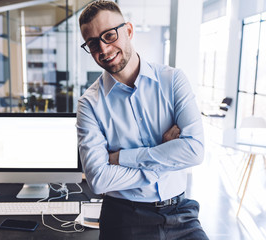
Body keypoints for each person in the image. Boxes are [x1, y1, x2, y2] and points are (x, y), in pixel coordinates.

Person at [76, 1, 208, 239]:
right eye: (93, 43)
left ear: (128, 30)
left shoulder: (173, 81)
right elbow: (99, 179)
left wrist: (121, 159)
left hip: (181, 212)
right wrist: (163, 157)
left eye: (109, 35)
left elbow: (195, 151)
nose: (104, 49)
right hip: (124, 216)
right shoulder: (89, 103)